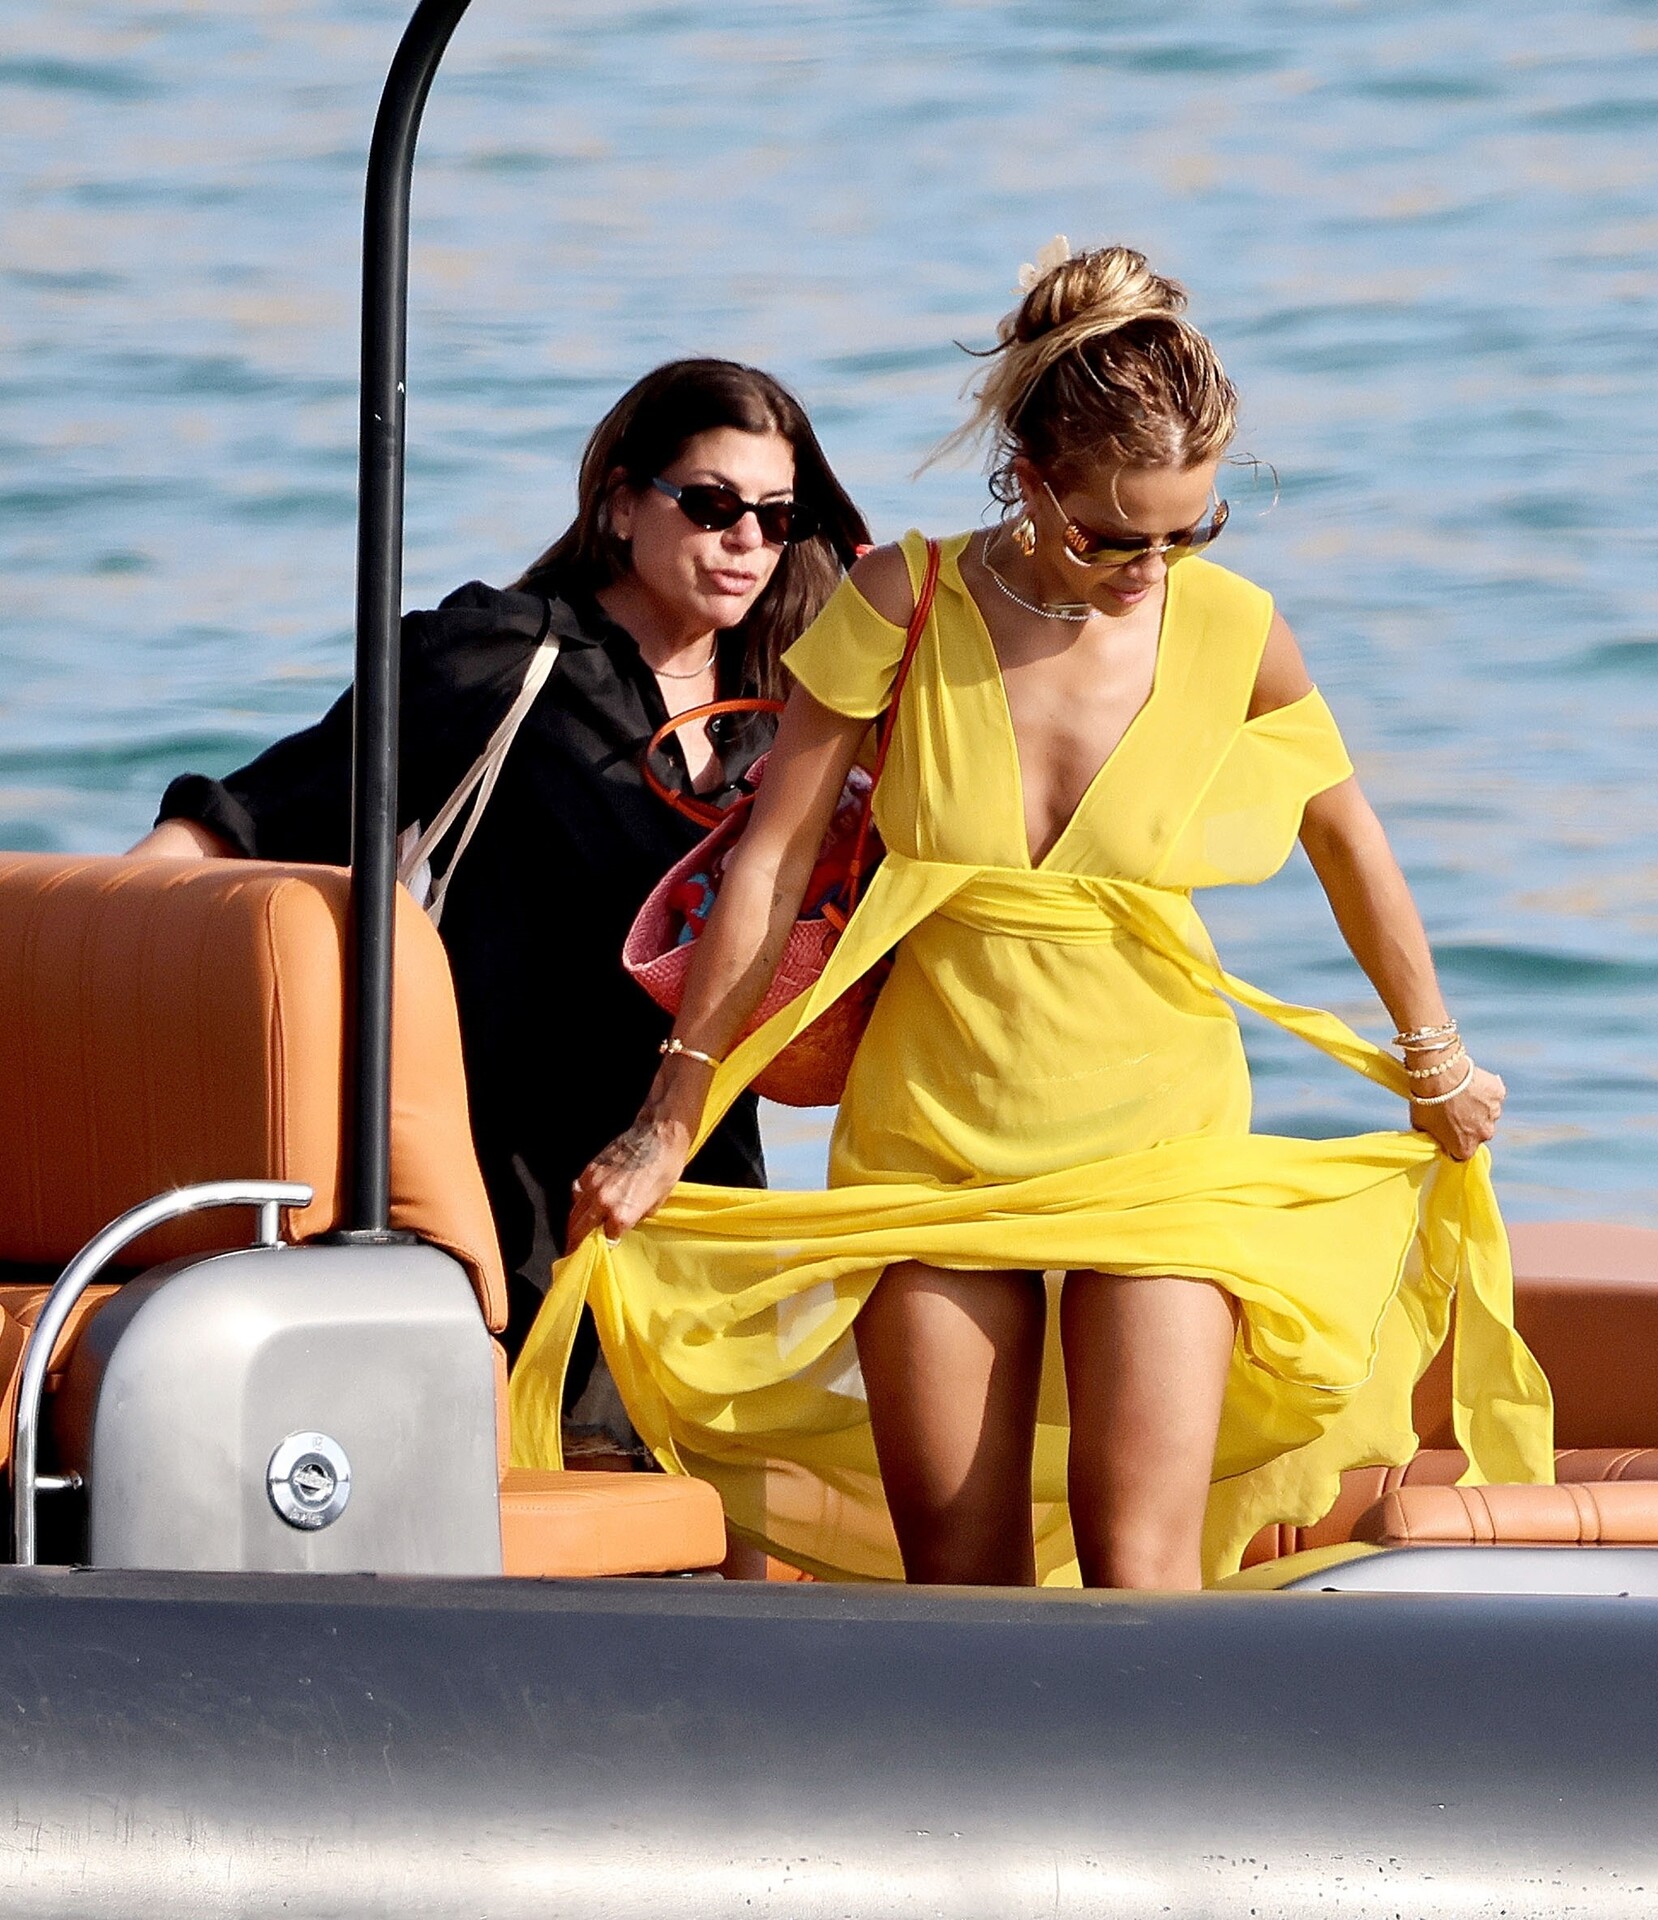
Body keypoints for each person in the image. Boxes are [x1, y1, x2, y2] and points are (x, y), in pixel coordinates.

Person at [512, 248, 1553, 1586]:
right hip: (931, 1138)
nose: (1149, 567)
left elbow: (1349, 845)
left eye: (1187, 533)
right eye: (1113, 534)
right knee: (960, 1570)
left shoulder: (1237, 631)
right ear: (1028, 475)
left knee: (1141, 1567)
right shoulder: (905, 603)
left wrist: (1434, 1053)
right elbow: (767, 866)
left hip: (1161, 1136)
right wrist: (672, 1117)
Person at [130, 358, 871, 1413]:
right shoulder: (503, 658)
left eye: (775, 516)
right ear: (621, 503)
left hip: (703, 1183)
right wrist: (91, 930)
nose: (746, 540)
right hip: (510, 1182)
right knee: (546, 1467)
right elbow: (252, 817)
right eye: (712, 505)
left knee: (709, 1471)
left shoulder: (792, 711)